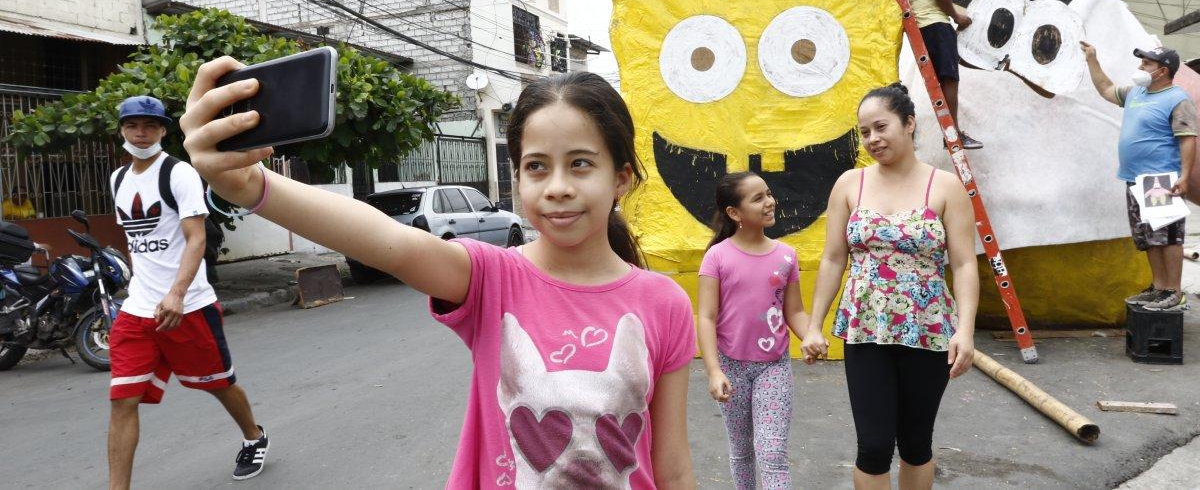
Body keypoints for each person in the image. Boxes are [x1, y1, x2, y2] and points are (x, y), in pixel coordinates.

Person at [179, 61, 697, 488]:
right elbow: (390, 241)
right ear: (516, 178)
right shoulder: (493, 277)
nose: (557, 186)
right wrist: (251, 186)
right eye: (537, 166)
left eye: (581, 163)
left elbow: (671, 465)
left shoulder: (664, 303)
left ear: (621, 178)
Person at [802, 84, 979, 490]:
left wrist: (965, 331)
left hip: (929, 328)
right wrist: (814, 324)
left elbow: (965, 263)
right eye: (865, 132)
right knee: (873, 445)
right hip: (866, 328)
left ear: (909, 123)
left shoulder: (946, 186)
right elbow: (833, 258)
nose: (873, 139)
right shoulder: (850, 184)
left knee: (916, 443)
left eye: (881, 127)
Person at [106, 96, 269, 489]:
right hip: (139, 309)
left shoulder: (178, 173)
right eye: (132, 126)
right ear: (122, 131)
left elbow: (195, 238)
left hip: (189, 305)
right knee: (122, 400)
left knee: (218, 383)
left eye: (149, 126)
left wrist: (177, 293)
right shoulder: (117, 179)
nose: (140, 133)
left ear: (163, 130)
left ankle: (253, 435)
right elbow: (136, 240)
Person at [698, 172, 808, 490]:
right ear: (734, 213)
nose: (770, 201)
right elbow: (706, 317)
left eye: (769, 194)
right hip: (730, 366)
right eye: (758, 198)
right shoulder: (717, 257)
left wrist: (811, 335)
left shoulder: (786, 256)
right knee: (742, 452)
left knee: (771, 452)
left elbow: (795, 312)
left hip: (774, 367)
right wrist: (714, 371)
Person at [1081, 43, 1196, 312]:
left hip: (1160, 180)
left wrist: (1185, 177)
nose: (1140, 67)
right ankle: (1158, 288)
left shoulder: (1177, 99)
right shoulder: (1136, 93)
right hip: (1135, 179)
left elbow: (1188, 139)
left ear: (1162, 71)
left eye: (1147, 63)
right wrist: (1092, 60)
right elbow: (1107, 90)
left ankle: (1173, 291)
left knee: (1167, 237)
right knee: (1147, 237)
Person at [901, 0, 980, 149]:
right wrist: (958, 17)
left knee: (940, 80)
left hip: (921, 26)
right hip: (936, 24)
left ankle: (950, 132)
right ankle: (953, 134)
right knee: (950, 79)